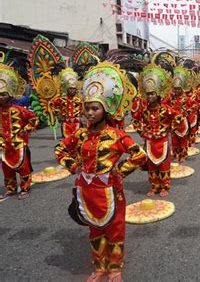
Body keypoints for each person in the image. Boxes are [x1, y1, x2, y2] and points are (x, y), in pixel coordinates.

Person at [55, 61, 146, 282]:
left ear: (106, 109)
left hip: (111, 189)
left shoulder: (117, 135)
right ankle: (99, 266)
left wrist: (119, 172)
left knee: (115, 228)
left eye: (95, 108)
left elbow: (140, 155)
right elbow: (60, 149)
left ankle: (115, 267)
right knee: (94, 228)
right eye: (87, 108)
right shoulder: (80, 135)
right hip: (87, 190)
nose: (90, 112)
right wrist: (73, 166)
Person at [131, 63, 183, 197]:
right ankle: (154, 186)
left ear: (158, 94)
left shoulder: (165, 109)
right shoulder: (144, 110)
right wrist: (141, 132)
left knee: (164, 165)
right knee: (151, 166)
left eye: (152, 94)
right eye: (148, 94)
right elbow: (135, 119)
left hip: (163, 141)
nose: (150, 97)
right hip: (149, 141)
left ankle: (165, 186)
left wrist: (170, 129)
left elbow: (178, 117)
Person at [0, 57, 39, 201]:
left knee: (23, 167)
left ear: (10, 94)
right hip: (3, 145)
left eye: (3, 94)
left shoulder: (18, 110)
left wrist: (26, 129)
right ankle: (10, 189)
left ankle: (25, 187)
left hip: (18, 145)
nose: (0, 97)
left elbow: (34, 119)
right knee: (7, 169)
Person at [50, 68, 83, 138]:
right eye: (70, 89)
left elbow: (85, 108)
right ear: (67, 89)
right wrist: (57, 112)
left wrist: (82, 112)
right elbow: (52, 104)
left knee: (77, 140)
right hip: (66, 123)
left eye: (73, 89)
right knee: (66, 140)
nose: (72, 90)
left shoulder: (79, 99)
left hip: (77, 122)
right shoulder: (62, 99)